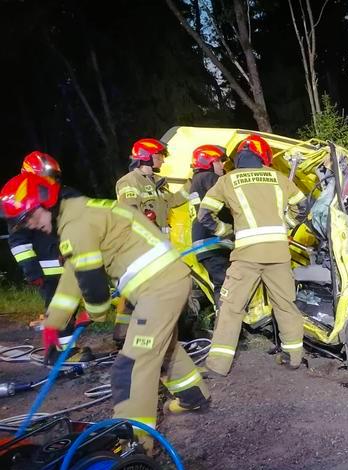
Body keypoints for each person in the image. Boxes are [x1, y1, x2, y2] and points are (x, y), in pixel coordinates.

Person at [0, 173, 210, 447]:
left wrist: (95, 311)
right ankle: (194, 397)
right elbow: (73, 274)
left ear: (47, 201)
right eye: (24, 222)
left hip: (159, 287)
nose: (30, 225)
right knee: (162, 347)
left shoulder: (76, 224)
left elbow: (93, 286)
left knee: (130, 366)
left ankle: (135, 444)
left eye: (30, 216)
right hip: (162, 283)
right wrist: (55, 321)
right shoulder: (81, 214)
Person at [198, 134, 306, 375]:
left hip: (246, 256)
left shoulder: (227, 181)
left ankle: (218, 366)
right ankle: (294, 357)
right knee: (286, 305)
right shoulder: (278, 178)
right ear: (263, 156)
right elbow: (302, 205)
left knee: (231, 308)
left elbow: (204, 214)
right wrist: (286, 224)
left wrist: (225, 231)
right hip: (278, 254)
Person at [8, 152, 87, 361]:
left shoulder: (66, 194)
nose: (49, 182)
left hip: (70, 266)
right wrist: (32, 271)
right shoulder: (23, 203)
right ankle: (62, 356)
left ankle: (63, 353)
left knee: (68, 310)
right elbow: (18, 242)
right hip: (47, 271)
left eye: (51, 177)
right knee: (59, 310)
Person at [113, 138, 190, 344]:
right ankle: (135, 337)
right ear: (145, 157)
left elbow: (173, 202)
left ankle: (125, 335)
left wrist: (193, 183)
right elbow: (129, 212)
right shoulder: (130, 181)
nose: (163, 160)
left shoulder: (157, 183)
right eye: (159, 156)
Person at [189, 144, 231, 309]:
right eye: (219, 161)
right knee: (226, 285)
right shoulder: (208, 177)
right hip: (213, 241)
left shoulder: (196, 181)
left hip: (206, 242)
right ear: (207, 163)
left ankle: (225, 321)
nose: (222, 165)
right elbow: (231, 198)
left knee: (222, 284)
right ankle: (227, 325)